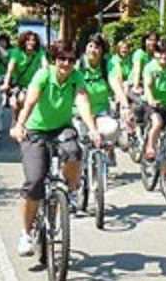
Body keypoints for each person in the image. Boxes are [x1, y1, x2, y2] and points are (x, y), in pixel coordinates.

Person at [11, 41, 102, 256]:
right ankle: (26, 233)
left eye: (71, 60)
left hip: (61, 128)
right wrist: (19, 124)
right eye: (62, 59)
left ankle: (68, 192)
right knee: (34, 182)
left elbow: (82, 102)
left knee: (74, 151)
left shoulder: (76, 77)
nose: (66, 64)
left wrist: (92, 129)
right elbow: (31, 101)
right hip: (35, 131)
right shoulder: (44, 75)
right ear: (55, 60)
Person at [78, 33, 125, 164]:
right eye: (90, 46)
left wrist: (125, 105)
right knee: (77, 145)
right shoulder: (78, 65)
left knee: (113, 128)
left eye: (97, 47)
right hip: (78, 113)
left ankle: (107, 149)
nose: (93, 50)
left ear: (103, 51)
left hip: (100, 112)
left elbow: (115, 83)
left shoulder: (106, 65)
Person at [2, 30, 48, 118]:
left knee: (29, 102)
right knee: (18, 103)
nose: (31, 42)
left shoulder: (39, 52)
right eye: (28, 40)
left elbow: (45, 66)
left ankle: (25, 122)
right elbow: (10, 70)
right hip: (18, 83)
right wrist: (6, 83)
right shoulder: (17, 52)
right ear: (23, 41)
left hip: (33, 84)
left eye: (33, 40)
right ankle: (15, 120)